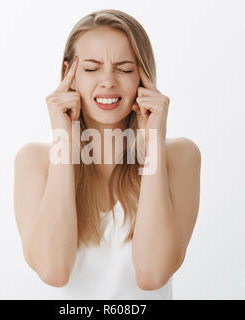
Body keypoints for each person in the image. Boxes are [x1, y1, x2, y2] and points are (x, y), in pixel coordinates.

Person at [14, 9, 201, 299]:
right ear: (69, 76)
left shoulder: (180, 157)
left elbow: (153, 274)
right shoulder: (34, 162)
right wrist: (63, 136)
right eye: (91, 68)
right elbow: (54, 270)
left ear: (143, 76)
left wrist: (152, 139)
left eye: (125, 69)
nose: (108, 81)